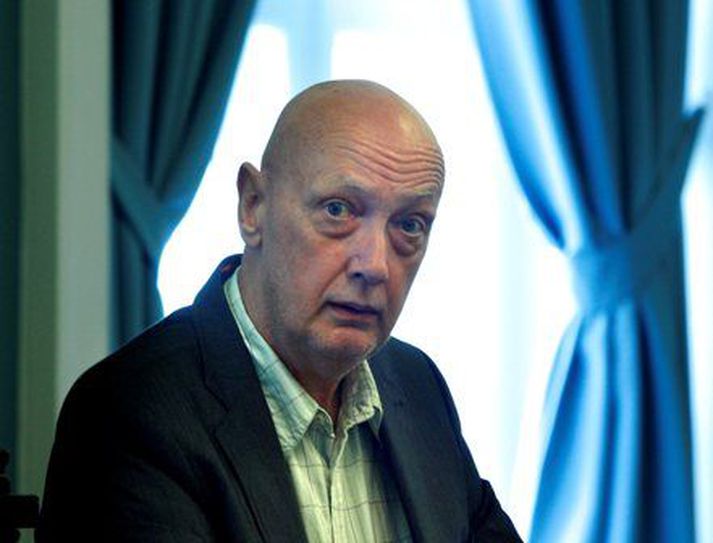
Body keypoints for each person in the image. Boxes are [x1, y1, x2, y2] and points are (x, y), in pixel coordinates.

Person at [37, 80, 521, 542]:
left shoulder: (417, 384)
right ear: (253, 206)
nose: (375, 265)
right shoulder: (131, 412)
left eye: (409, 225)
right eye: (338, 210)